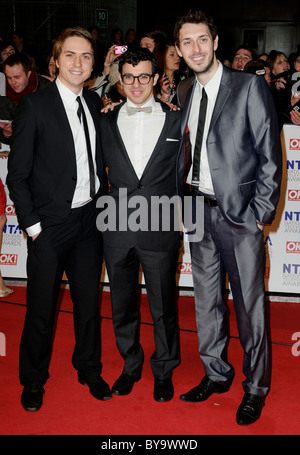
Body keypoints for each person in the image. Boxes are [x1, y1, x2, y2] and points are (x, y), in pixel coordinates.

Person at [174, 10, 282, 425]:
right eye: (187, 42)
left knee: (250, 307)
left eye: (202, 40)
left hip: (240, 217)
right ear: (180, 49)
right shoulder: (184, 89)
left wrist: (259, 215)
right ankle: (216, 374)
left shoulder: (250, 86)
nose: (196, 49)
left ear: (215, 42)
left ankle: (255, 388)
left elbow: (270, 157)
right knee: (206, 303)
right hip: (197, 212)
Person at [7, 26, 111, 412]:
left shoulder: (96, 102)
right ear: (56, 60)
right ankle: (33, 379)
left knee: (88, 304)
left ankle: (89, 368)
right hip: (49, 226)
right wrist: (33, 227)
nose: (78, 62)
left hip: (89, 223)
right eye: (70, 55)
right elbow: (17, 176)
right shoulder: (34, 106)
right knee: (40, 309)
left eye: (86, 56)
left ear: (93, 63)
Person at [99, 47, 181, 402]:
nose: (135, 84)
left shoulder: (178, 119)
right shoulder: (106, 118)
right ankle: (130, 365)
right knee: (122, 302)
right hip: (116, 222)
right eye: (128, 76)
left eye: (143, 76)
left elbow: (186, 175)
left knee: (164, 304)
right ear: (120, 78)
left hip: (161, 221)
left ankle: (164, 368)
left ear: (156, 77)